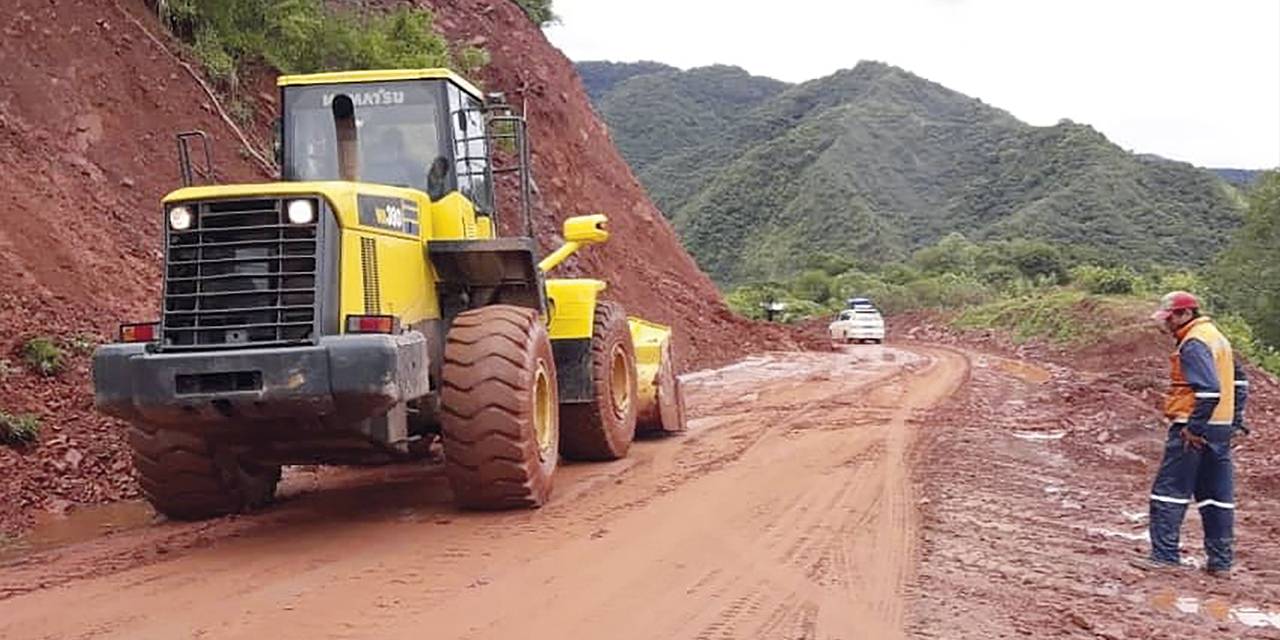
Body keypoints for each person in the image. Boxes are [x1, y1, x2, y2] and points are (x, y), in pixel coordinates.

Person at [1139, 291, 1248, 575]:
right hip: (1220, 428)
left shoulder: (1195, 342)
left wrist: (1194, 428)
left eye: (1171, 317)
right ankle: (1220, 563)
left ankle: (1164, 557)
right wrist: (1234, 421)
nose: (1167, 324)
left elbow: (1210, 390)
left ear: (1186, 314)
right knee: (1216, 496)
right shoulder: (1217, 337)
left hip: (1193, 426)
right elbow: (1239, 381)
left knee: (1169, 492)